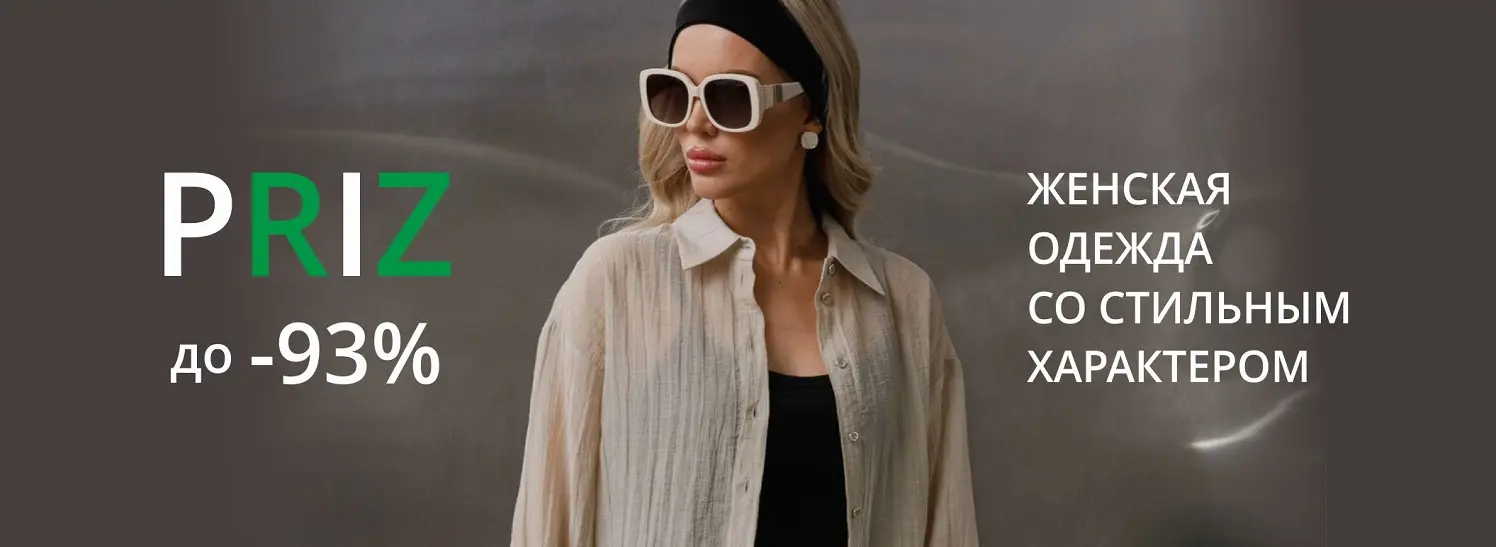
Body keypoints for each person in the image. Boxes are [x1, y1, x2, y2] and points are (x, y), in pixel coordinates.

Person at [510, 0, 978, 545]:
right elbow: (548, 525)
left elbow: (946, 528)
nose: (694, 123)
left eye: (731, 96)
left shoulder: (903, 302)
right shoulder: (616, 285)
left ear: (811, 111)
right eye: (675, 92)